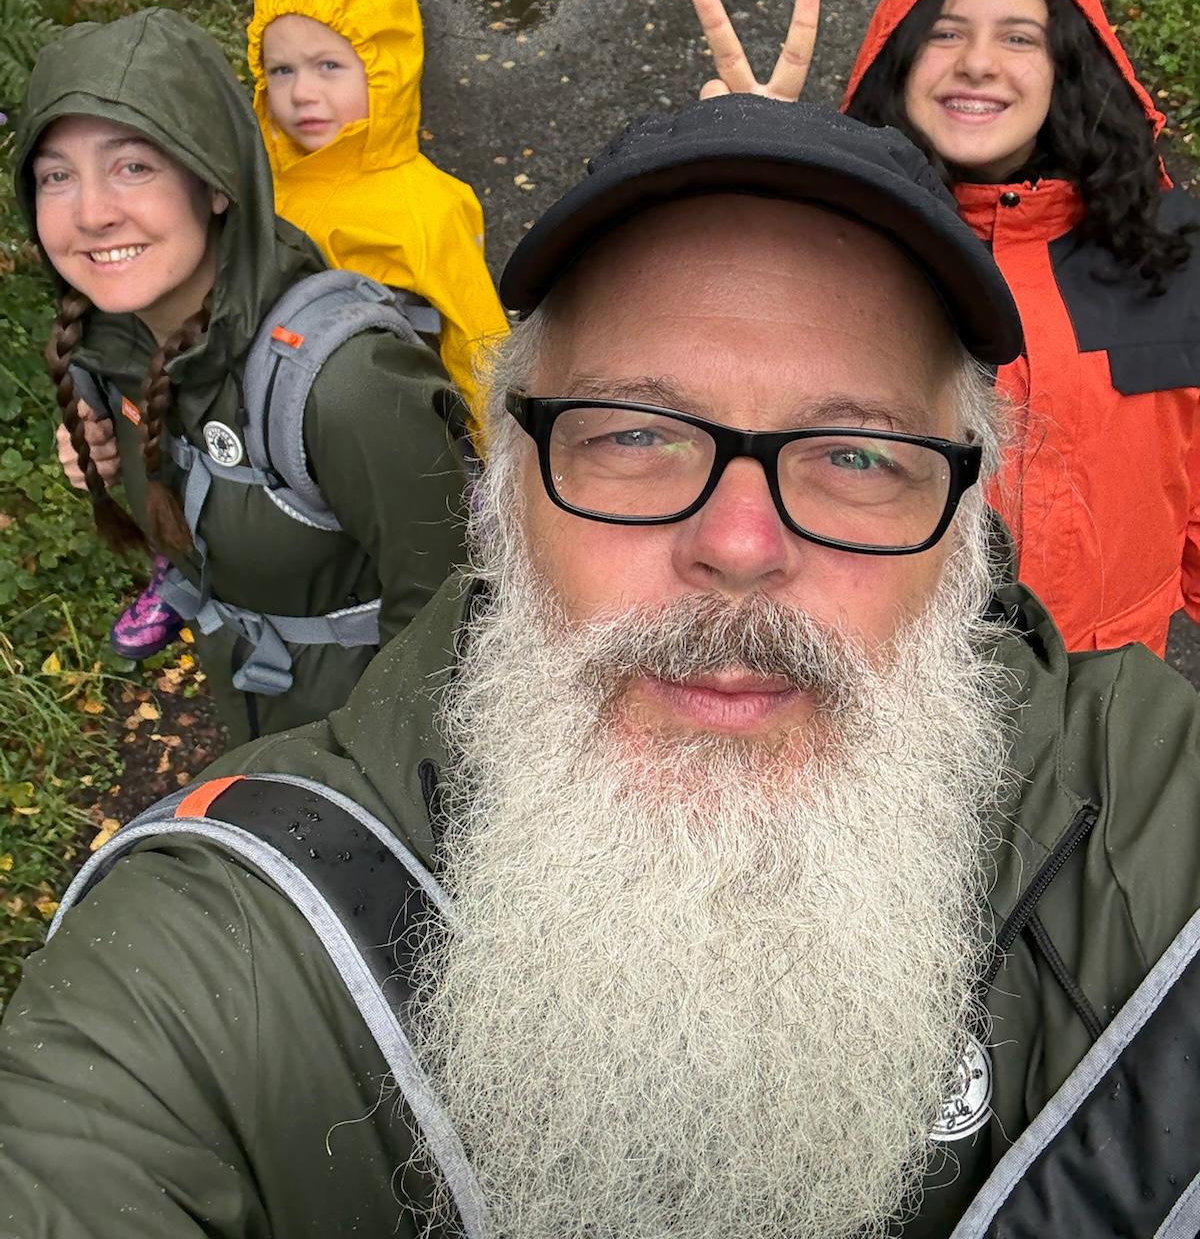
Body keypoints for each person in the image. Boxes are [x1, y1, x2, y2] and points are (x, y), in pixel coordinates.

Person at [6, 93, 1200, 1239]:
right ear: (505, 492)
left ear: (965, 517)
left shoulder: (1146, 820)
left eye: (856, 453)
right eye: (634, 434)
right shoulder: (231, 948)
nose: (739, 545)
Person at [18, 6, 467, 744]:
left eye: (133, 166)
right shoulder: (110, 346)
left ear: (216, 183)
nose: (92, 212)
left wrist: (371, 778)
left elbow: (445, 632)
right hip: (255, 709)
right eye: (57, 176)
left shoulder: (346, 385)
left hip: (362, 753)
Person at [840, 0, 1200, 654]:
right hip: (908, 687)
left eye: (1018, 36)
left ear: (1065, 64)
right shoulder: (841, 246)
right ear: (897, 61)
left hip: (1112, 695)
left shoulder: (1169, 244)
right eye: (945, 33)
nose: (978, 62)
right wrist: (747, 189)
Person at [247, 0, 509, 420]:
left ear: (386, 69)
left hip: (385, 439)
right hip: (271, 441)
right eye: (282, 70)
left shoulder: (426, 211)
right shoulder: (259, 189)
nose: (301, 92)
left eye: (329, 66)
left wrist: (501, 475)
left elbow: (480, 354)